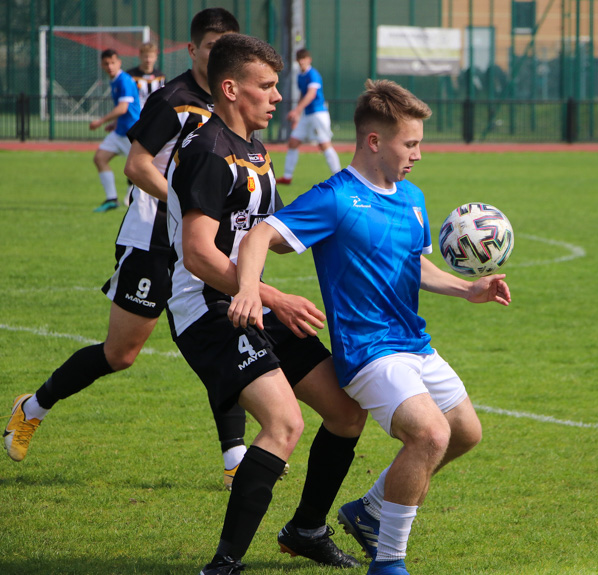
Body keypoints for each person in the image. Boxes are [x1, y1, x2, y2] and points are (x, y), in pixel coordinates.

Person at [228, 79, 512, 575]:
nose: (418, 155)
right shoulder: (336, 198)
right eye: (411, 143)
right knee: (429, 435)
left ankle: (369, 510)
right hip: (367, 351)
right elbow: (259, 236)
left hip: (413, 342)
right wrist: (250, 289)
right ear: (374, 141)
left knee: (465, 433)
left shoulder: (412, 196)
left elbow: (414, 266)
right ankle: (389, 562)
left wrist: (469, 289)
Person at [3, 8, 251, 491]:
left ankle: (235, 457)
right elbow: (136, 167)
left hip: (205, 242)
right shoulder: (173, 100)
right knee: (121, 353)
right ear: (194, 50)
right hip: (153, 237)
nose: (222, 58)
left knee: (224, 332)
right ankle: (31, 407)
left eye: (230, 49)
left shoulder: (235, 103)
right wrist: (190, 203)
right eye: (214, 48)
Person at [165, 33, 366, 573]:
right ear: (230, 89)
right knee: (284, 424)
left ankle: (305, 531)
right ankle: (224, 564)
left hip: (249, 300)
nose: (278, 97)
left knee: (347, 413)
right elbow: (199, 255)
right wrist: (268, 293)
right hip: (206, 308)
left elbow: (264, 234)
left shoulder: (253, 148)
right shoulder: (208, 152)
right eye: (267, 86)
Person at [275, 48, 340, 186]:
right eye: (299, 60)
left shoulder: (313, 74)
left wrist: (297, 111)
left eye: (304, 59)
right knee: (293, 142)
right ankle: (287, 177)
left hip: (318, 114)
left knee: (324, 144)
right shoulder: (300, 75)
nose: (301, 62)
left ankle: (338, 175)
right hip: (306, 115)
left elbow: (311, 94)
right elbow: (302, 96)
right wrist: (297, 116)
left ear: (309, 60)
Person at [89, 48, 141, 213]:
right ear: (102, 65)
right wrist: (115, 124)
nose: (110, 66)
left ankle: (149, 203)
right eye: (106, 63)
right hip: (120, 131)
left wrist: (101, 121)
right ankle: (112, 199)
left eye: (113, 62)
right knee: (99, 158)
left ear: (119, 62)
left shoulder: (124, 80)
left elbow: (123, 108)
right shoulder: (115, 81)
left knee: (139, 170)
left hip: (131, 132)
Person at [127, 42, 166, 107]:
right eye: (146, 57)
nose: (148, 60)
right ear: (140, 56)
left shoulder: (160, 77)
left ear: (156, 57)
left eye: (151, 57)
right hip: (136, 115)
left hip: (154, 114)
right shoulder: (130, 76)